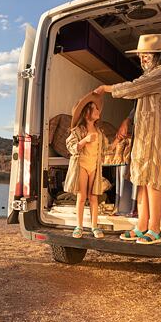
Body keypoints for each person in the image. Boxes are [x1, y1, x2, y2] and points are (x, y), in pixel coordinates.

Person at [93, 34, 161, 245]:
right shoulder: (152, 75)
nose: (142, 58)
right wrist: (128, 120)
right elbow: (140, 99)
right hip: (143, 133)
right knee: (140, 178)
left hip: (155, 132)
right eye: (140, 55)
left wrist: (107, 88)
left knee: (153, 178)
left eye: (145, 54)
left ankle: (155, 230)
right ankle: (141, 226)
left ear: (158, 54)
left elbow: (134, 87)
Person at [63, 92, 111, 239]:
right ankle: (79, 226)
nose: (98, 111)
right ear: (86, 113)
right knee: (82, 197)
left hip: (94, 168)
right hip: (82, 166)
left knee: (94, 197)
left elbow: (106, 149)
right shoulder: (78, 131)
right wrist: (85, 140)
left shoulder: (99, 132)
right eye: (94, 109)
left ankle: (94, 226)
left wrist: (118, 140)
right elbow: (71, 147)